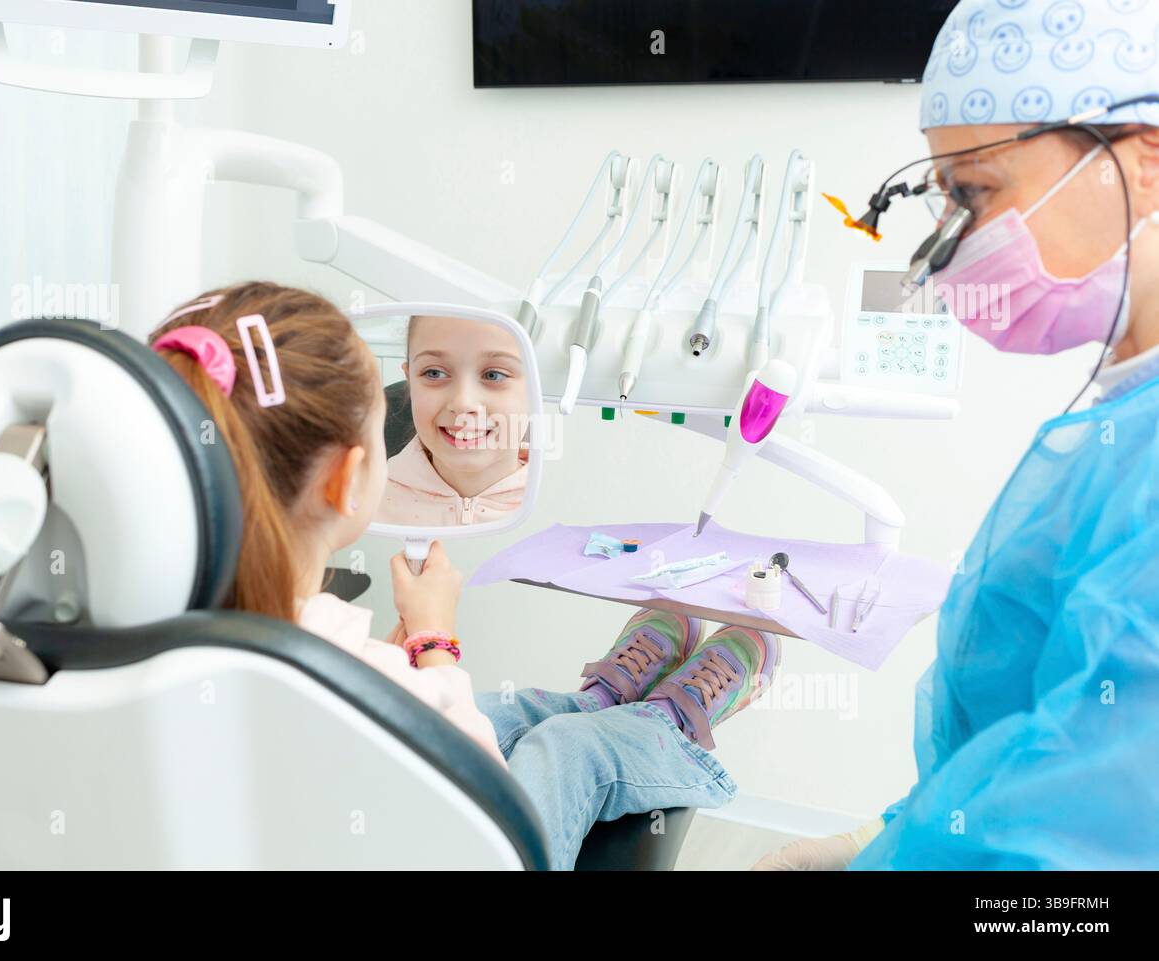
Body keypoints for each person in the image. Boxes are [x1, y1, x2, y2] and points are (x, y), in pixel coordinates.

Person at [151, 282, 778, 870]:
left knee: (512, 710)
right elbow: (484, 819)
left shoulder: (145, 625)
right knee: (568, 750)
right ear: (348, 480)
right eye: (429, 377)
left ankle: (602, 700)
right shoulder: (351, 671)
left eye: (496, 376)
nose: (463, 403)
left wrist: (402, 673)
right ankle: (663, 721)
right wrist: (433, 642)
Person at [754, 0, 1159, 870]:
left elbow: (1094, 841)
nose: (954, 243)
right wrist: (883, 839)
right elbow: (1030, 737)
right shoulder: (1113, 426)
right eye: (946, 198)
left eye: (975, 192)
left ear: (1145, 156)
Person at [375, 313, 530, 526]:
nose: (463, 404)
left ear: (536, 383)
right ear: (409, 378)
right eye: (434, 373)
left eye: (494, 375)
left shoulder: (556, 503)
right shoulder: (362, 503)